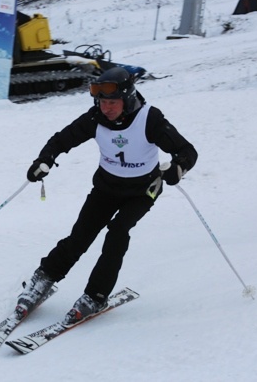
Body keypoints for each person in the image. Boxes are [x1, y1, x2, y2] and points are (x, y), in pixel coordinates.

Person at [16, 66, 198, 325]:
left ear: (127, 99)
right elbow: (61, 140)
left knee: (117, 233)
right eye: (102, 102)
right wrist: (45, 159)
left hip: (142, 191)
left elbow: (187, 150)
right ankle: (44, 277)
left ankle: (96, 295)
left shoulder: (150, 118)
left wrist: (179, 166)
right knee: (80, 236)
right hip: (106, 188)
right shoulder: (95, 119)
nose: (107, 108)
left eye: (113, 102)